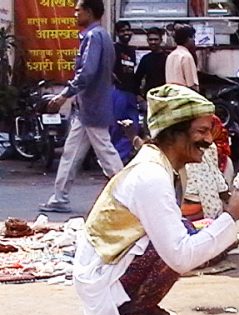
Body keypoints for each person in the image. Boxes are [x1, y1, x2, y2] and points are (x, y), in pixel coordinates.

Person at [72, 84, 239, 315]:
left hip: (108, 267)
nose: (208, 141)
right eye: (201, 131)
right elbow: (179, 255)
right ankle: (132, 312)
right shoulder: (151, 175)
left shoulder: (161, 163)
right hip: (101, 280)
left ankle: (141, 305)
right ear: (173, 134)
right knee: (185, 241)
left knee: (193, 230)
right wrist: (232, 215)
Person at [39, 0, 123, 213]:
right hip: (88, 107)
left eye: (78, 10)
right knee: (71, 153)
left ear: (89, 12)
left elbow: (86, 73)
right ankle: (59, 198)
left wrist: (63, 96)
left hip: (92, 106)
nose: (75, 14)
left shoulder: (94, 37)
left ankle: (130, 195)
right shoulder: (102, 36)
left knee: (107, 156)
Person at [110, 20, 139, 162]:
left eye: (128, 30)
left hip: (131, 93)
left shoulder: (132, 51)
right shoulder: (114, 48)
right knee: (117, 127)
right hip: (117, 92)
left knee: (134, 127)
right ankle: (113, 160)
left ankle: (118, 157)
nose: (126, 33)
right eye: (122, 31)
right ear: (117, 33)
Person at [134, 27, 168, 98]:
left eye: (156, 39)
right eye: (150, 40)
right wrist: (139, 97)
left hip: (165, 97)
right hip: (149, 98)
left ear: (161, 40)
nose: (153, 42)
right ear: (147, 41)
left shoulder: (167, 58)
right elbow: (137, 79)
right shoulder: (145, 59)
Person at [165, 24, 199, 91]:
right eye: (193, 37)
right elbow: (192, 84)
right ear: (188, 39)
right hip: (184, 96)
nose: (194, 41)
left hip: (170, 95)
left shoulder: (170, 56)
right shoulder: (186, 56)